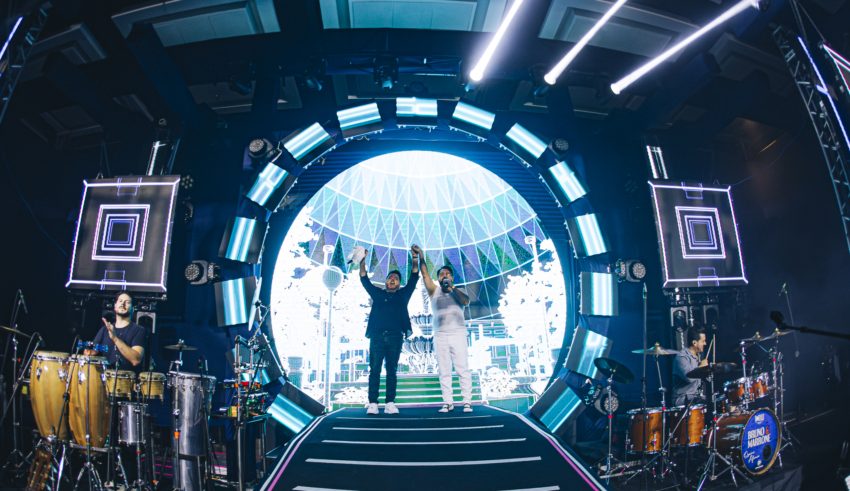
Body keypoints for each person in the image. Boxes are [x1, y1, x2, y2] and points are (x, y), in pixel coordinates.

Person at [359, 246, 420, 415]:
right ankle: (373, 403)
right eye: (390, 277)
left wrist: (415, 258)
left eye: (396, 278)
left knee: (391, 371)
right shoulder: (377, 294)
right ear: (386, 281)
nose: (392, 279)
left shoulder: (403, 295)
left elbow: (414, 277)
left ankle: (390, 403)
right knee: (375, 370)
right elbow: (364, 279)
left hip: (395, 338)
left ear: (399, 284)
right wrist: (362, 260)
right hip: (377, 337)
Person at [416, 247, 472, 413]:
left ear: (452, 277)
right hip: (440, 335)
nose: (445, 276)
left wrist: (452, 287)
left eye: (448, 274)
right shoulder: (434, 291)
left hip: (458, 334)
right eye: (442, 274)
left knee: (462, 368)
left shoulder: (459, 291)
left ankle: (467, 402)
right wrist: (421, 255)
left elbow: (465, 302)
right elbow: (425, 274)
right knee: (444, 370)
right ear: (438, 278)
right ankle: (448, 402)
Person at [86, 291, 147, 374]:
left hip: (126, 379)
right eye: (120, 301)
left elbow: (136, 361)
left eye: (127, 302)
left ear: (133, 309)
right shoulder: (105, 329)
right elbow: (90, 352)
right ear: (115, 307)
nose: (122, 304)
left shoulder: (138, 330)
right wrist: (89, 351)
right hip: (106, 377)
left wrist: (115, 338)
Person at [672, 326, 711, 406]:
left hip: (695, 397)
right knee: (709, 404)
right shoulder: (681, 357)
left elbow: (707, 379)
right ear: (694, 343)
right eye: (703, 341)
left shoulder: (698, 356)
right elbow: (689, 378)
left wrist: (710, 370)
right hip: (683, 398)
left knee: (716, 401)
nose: (705, 343)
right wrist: (701, 367)